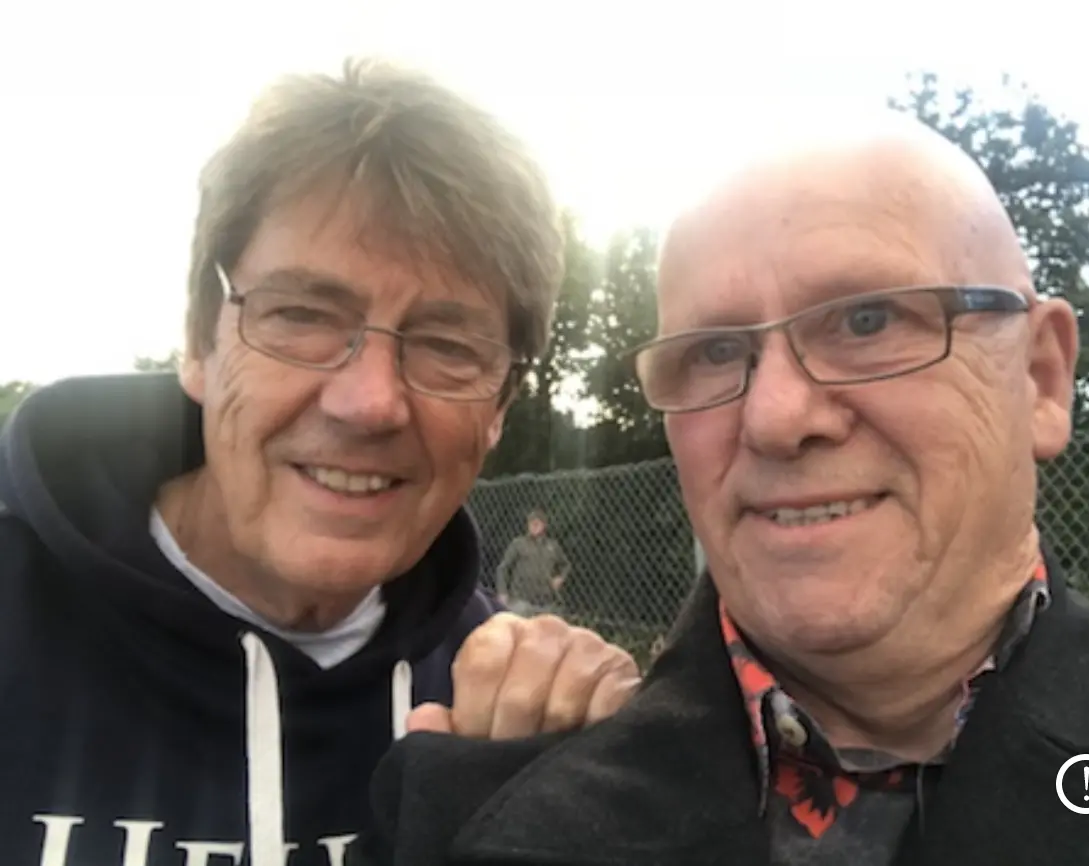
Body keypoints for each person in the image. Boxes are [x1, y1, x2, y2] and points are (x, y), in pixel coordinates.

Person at [351, 115, 1089, 865]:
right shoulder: (465, 812)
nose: (776, 418)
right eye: (713, 353)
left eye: (868, 321)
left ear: (1040, 378)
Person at [0, 59, 640, 866]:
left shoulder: (518, 724)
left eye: (447, 346)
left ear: (500, 408)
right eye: (302, 315)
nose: (368, 402)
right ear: (199, 341)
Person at [495, 508, 571, 615]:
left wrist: (560, 577)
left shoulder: (553, 546)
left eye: (537, 523)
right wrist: (502, 592)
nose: (534, 526)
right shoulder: (518, 544)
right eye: (531, 523)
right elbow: (503, 568)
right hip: (521, 600)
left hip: (545, 602)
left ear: (544, 525)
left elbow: (565, 565)